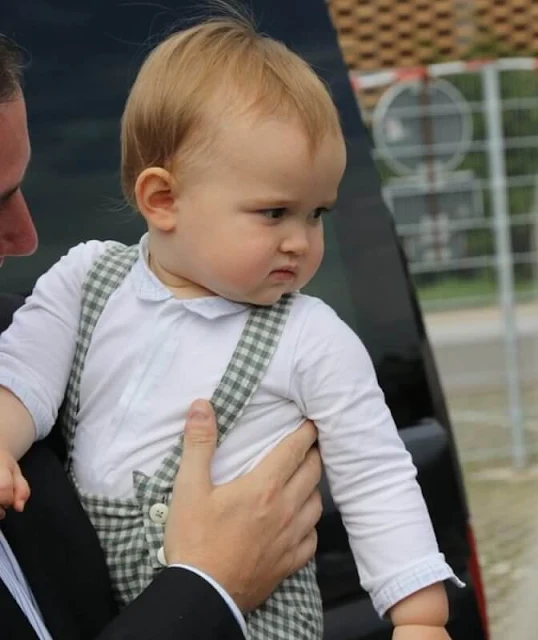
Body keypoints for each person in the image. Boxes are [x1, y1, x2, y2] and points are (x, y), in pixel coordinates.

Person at [0, 14, 462, 640]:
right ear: (162, 199)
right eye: (274, 212)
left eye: (317, 213)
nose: (300, 241)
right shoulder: (86, 280)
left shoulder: (310, 336)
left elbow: (376, 474)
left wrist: (420, 616)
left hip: (255, 621)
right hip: (109, 613)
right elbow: (21, 376)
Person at [0, 32, 323, 640]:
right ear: (160, 199)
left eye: (317, 213)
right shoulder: (69, 307)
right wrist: (208, 586)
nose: (26, 239)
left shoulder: (23, 341)